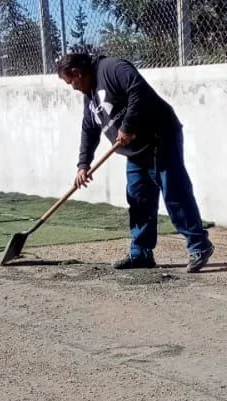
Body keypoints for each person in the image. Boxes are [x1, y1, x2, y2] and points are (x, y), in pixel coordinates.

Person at [54, 52, 215, 273]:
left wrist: (128, 126)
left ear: (77, 73)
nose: (72, 87)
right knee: (139, 198)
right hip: (135, 151)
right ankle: (141, 253)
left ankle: (199, 245)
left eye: (70, 82)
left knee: (174, 191)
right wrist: (83, 164)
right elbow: (89, 128)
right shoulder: (89, 94)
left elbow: (137, 89)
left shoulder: (112, 68)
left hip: (159, 136)